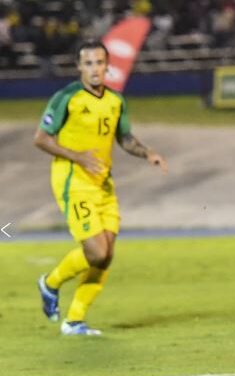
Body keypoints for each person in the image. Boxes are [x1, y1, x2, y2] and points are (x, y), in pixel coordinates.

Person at [34, 40, 168, 336]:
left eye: (99, 63)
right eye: (89, 63)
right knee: (96, 252)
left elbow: (125, 138)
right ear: (79, 67)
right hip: (72, 180)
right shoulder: (66, 98)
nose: (95, 69)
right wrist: (77, 156)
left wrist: (148, 153)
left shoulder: (115, 101)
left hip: (103, 183)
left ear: (108, 67)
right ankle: (51, 283)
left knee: (107, 255)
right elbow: (41, 139)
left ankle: (74, 321)